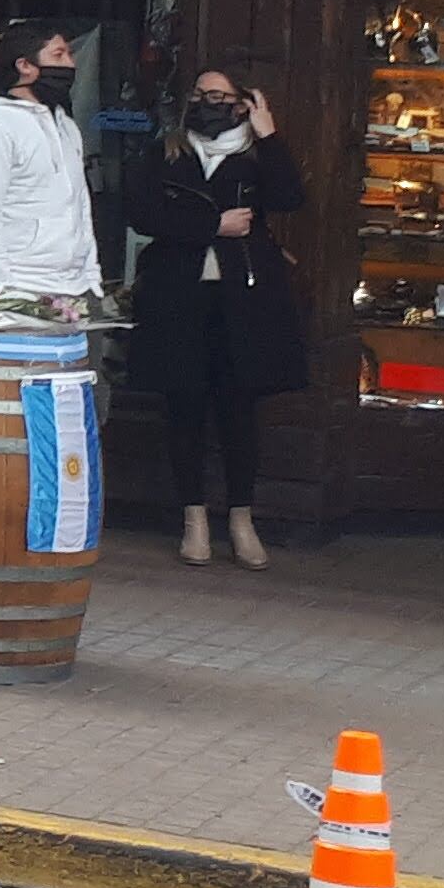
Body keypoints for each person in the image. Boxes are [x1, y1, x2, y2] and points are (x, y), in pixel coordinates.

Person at [124, 70, 304, 569]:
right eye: (200, 95)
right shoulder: (168, 151)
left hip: (243, 299)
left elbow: (290, 198)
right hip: (179, 296)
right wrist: (212, 225)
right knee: (183, 406)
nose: (207, 104)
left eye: (219, 96)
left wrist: (269, 135)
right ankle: (194, 519)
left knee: (238, 411)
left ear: (242, 104)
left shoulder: (254, 154)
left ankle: (242, 520)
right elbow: (142, 215)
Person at [0, 18, 103, 304]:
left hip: (74, 291)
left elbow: (81, 208)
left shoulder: (67, 127)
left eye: (70, 55)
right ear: (24, 65)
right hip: (20, 291)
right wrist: (3, 292)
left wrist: (92, 279)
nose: (71, 65)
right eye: (59, 55)